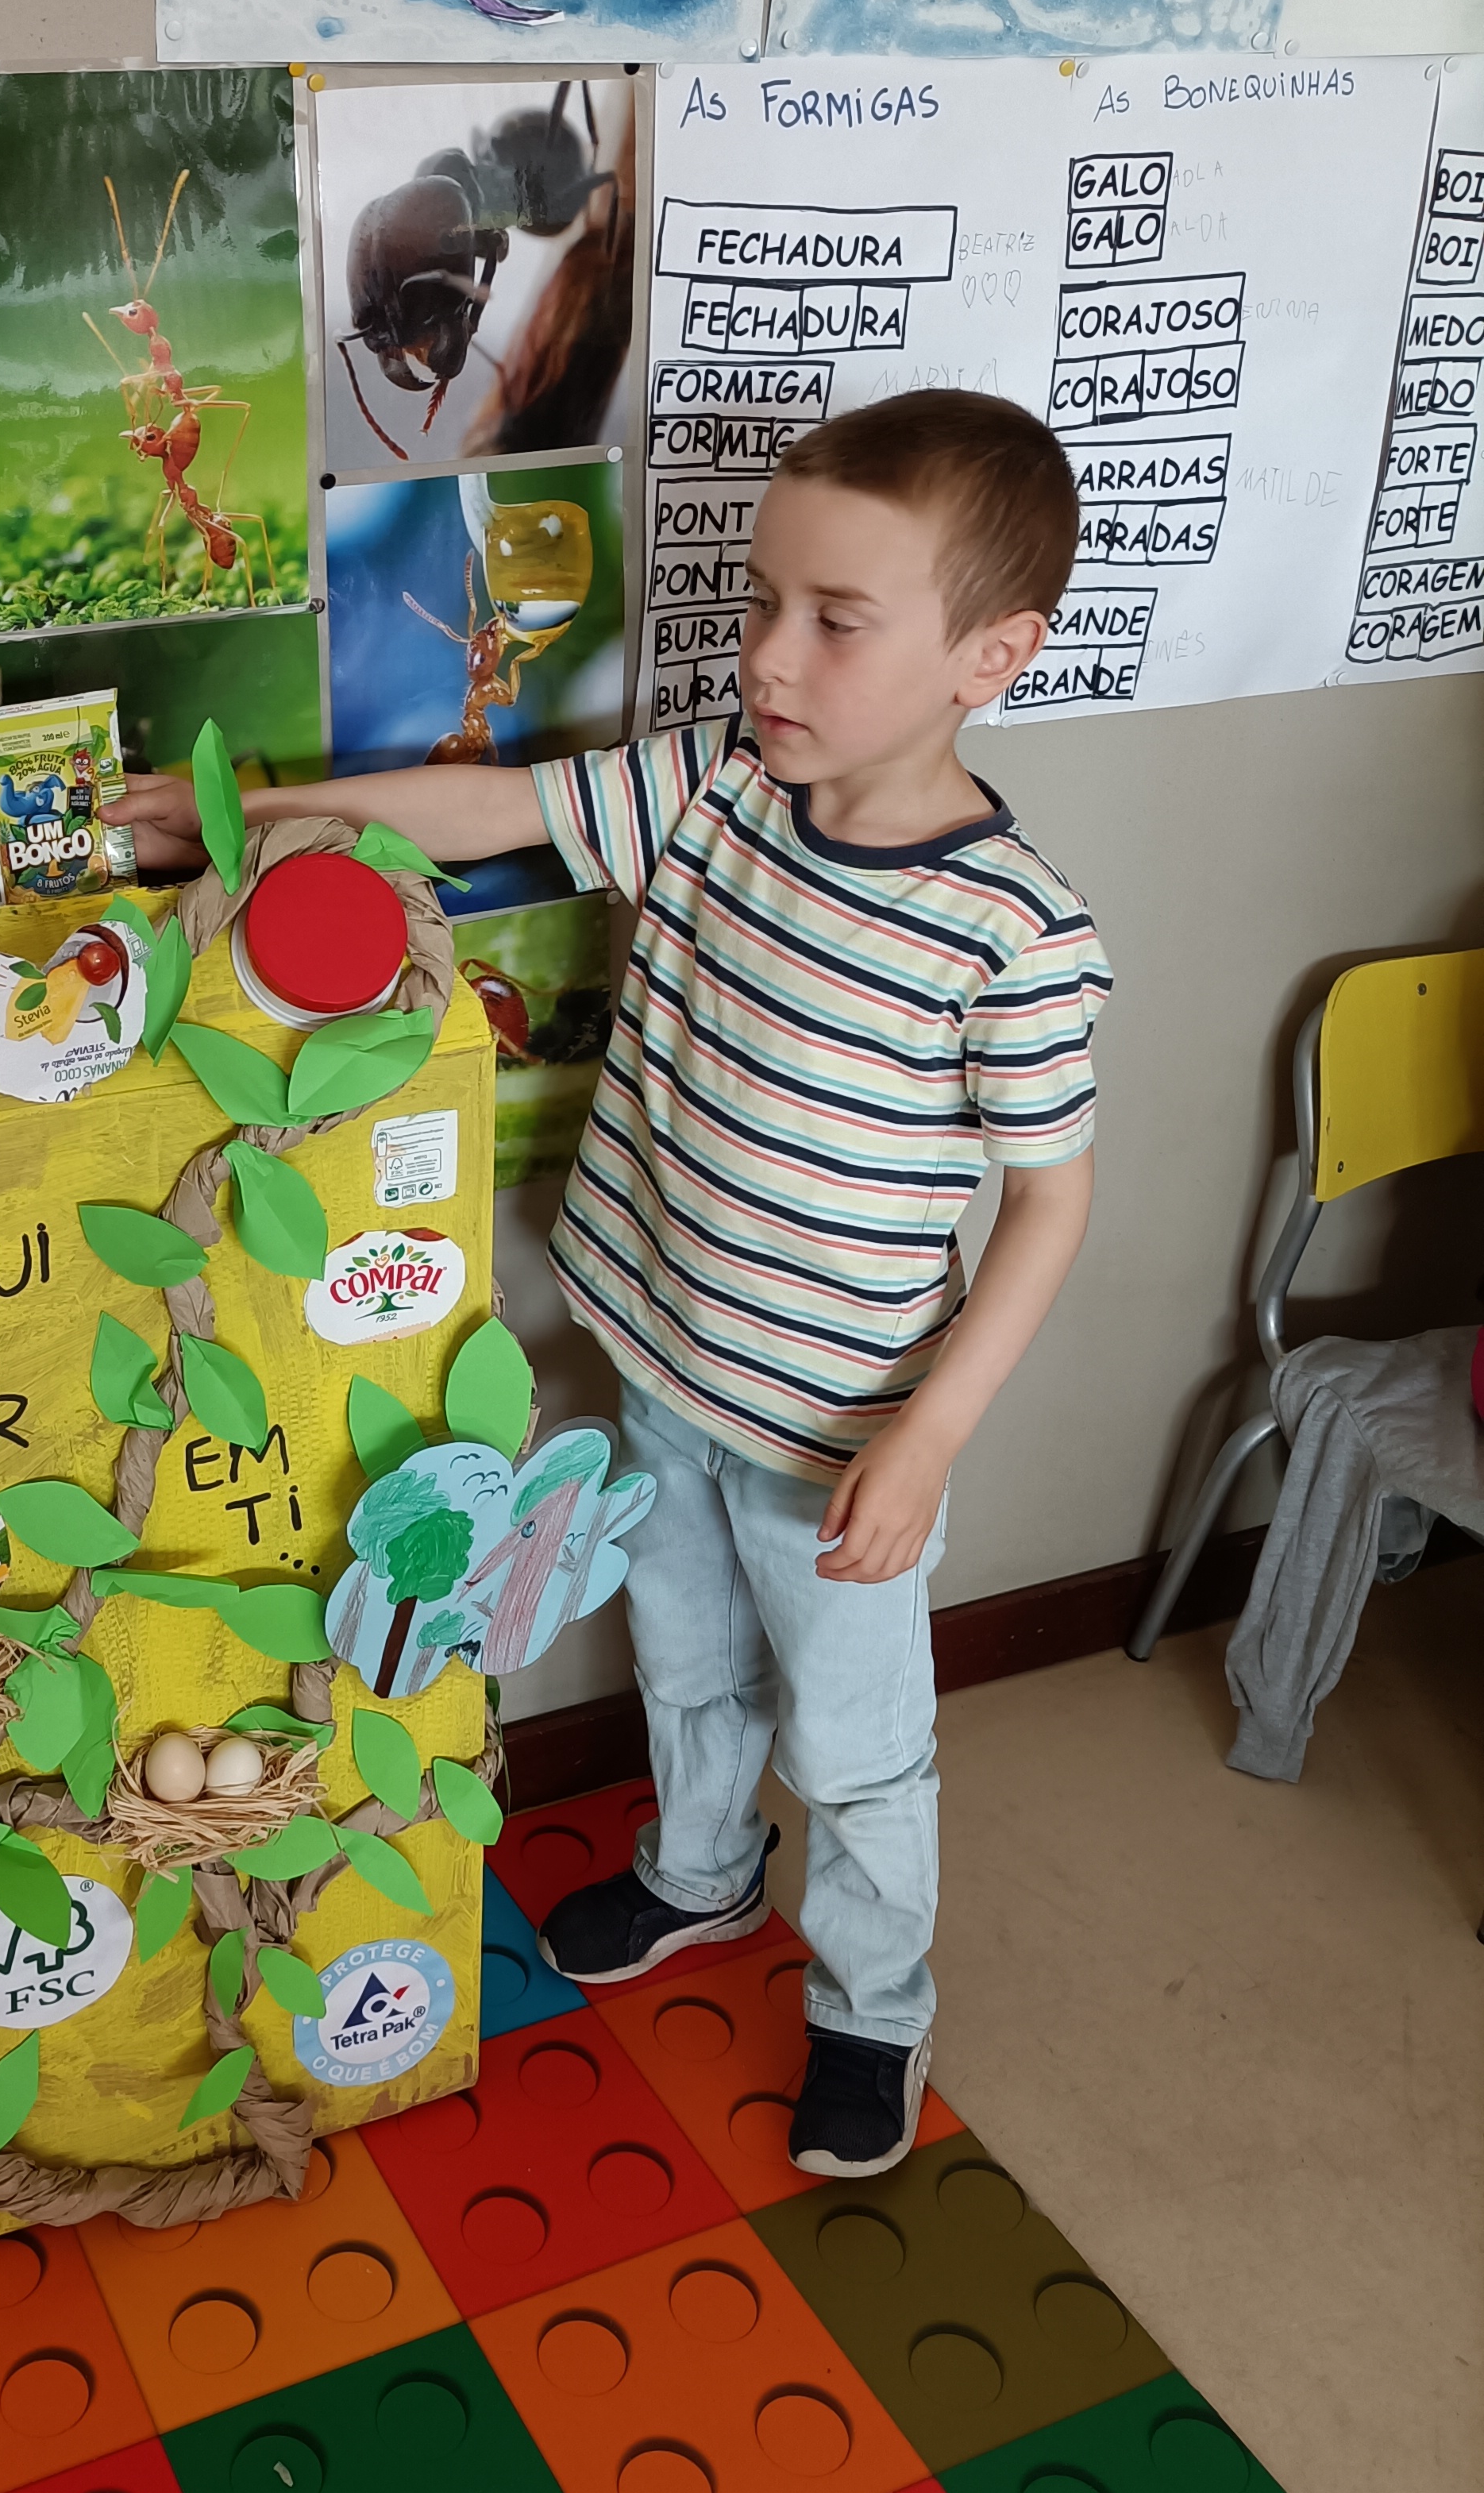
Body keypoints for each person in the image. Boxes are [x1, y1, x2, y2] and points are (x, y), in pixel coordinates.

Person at [106, 391, 1111, 2178]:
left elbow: (1050, 1202)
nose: (770, 654)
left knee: (860, 1751)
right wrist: (250, 820)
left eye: (836, 620)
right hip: (658, 1361)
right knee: (685, 1658)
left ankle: (874, 2006)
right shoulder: (719, 785)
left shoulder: (1014, 931)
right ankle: (702, 1873)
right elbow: (493, 799)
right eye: (764, 602)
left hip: (842, 1436)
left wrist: (933, 1435)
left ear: (993, 655)